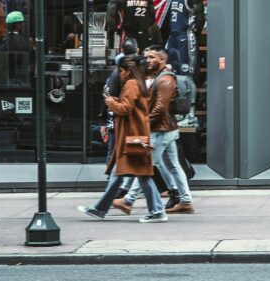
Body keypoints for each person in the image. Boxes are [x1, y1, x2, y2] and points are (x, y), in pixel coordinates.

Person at [80, 56, 166, 221]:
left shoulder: (131, 84)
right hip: (135, 137)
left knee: (133, 175)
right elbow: (131, 106)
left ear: (128, 71)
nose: (119, 74)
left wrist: (111, 102)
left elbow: (125, 108)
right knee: (131, 175)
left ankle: (156, 211)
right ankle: (101, 208)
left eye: (121, 70)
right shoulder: (137, 84)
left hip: (132, 138)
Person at [145, 47, 195, 214]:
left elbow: (160, 108)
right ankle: (185, 200)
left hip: (162, 128)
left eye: (151, 57)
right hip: (167, 127)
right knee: (173, 165)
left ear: (161, 59)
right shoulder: (157, 77)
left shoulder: (165, 79)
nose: (147, 60)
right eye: (146, 57)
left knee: (147, 164)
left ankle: (128, 199)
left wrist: (145, 122)